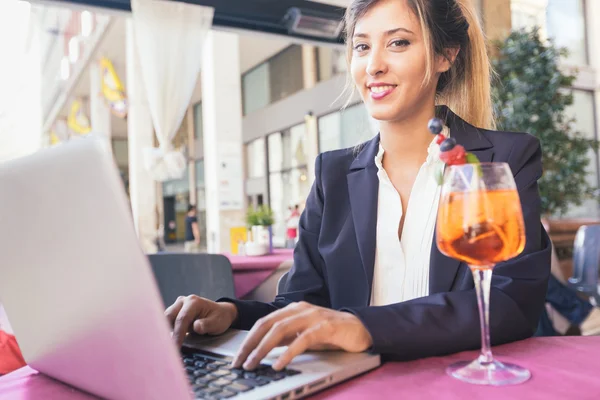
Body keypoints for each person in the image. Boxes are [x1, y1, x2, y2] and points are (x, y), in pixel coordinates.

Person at [165, 0, 551, 371]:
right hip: (354, 384)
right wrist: (232, 313)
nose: (374, 65)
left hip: (460, 383)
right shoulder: (332, 175)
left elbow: (510, 304)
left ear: (444, 56)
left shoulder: (505, 159)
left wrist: (363, 327)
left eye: (398, 42)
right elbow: (303, 304)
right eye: (362, 47)